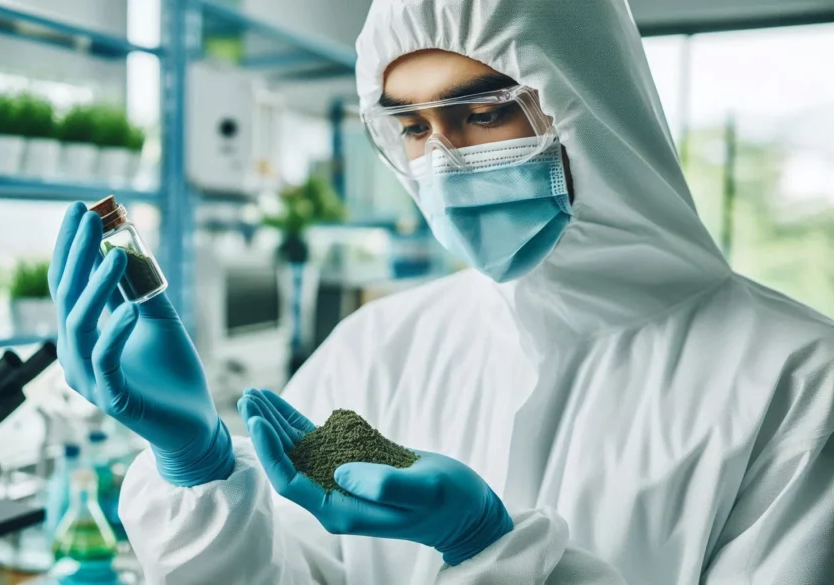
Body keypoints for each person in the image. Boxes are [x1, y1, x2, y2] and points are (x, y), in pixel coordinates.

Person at [48, 0, 834, 582]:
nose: (442, 163)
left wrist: (490, 547)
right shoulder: (378, 344)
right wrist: (197, 465)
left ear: (592, 106)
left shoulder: (798, 380)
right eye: (414, 129)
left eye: (486, 112)